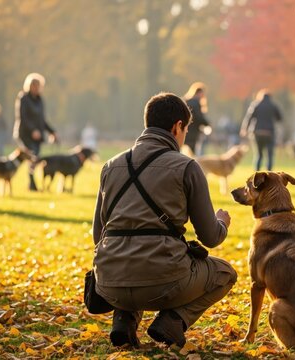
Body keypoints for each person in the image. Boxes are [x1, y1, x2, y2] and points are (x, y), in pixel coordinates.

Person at [92, 92, 237, 348]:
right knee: (225, 273)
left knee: (131, 259)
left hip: (108, 282)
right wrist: (222, 222)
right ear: (177, 126)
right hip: (164, 282)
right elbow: (210, 237)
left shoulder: (110, 166)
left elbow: (98, 235)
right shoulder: (186, 167)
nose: (184, 137)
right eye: (186, 129)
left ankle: (124, 322)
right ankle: (172, 322)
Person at [13, 73, 57, 191]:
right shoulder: (23, 98)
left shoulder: (40, 100)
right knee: (32, 157)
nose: (37, 88)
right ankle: (32, 185)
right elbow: (22, 117)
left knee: (35, 159)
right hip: (25, 134)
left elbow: (42, 120)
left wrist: (52, 132)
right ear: (29, 85)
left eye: (38, 85)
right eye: (34, 85)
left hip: (37, 136)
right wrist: (33, 130)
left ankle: (31, 184)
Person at [240, 89, 283, 171]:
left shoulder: (255, 105)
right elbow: (279, 118)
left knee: (258, 154)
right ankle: (269, 174)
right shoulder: (273, 105)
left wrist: (244, 129)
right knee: (270, 155)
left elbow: (248, 118)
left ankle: (256, 173)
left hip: (257, 133)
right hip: (269, 133)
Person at [184, 82, 211, 155]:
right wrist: (208, 124)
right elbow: (199, 118)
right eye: (202, 93)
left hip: (184, 131)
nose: (203, 96)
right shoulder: (196, 103)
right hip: (193, 132)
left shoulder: (185, 101)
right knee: (191, 153)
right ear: (199, 93)